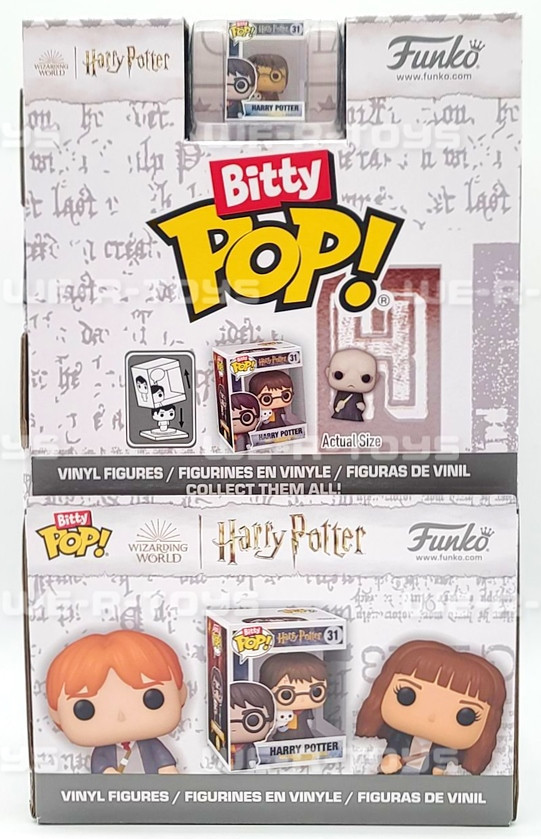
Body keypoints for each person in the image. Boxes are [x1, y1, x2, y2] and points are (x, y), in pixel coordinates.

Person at [355, 640, 506, 776]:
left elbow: (441, 761)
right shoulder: (401, 737)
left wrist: (438, 773)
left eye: (465, 716)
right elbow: (393, 749)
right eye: (406, 696)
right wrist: (390, 760)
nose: (432, 717)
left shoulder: (442, 747)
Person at [46, 629, 187, 774]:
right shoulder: (103, 751)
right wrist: (107, 771)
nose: (121, 716)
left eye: (152, 699)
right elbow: (100, 764)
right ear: (56, 714)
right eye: (84, 710)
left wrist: (166, 768)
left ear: (181, 694)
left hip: (152, 786)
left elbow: (162, 759)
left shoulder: (151, 745)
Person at [259, 652, 327, 741]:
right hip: (283, 736)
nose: (302, 699)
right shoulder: (278, 712)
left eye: (316, 692)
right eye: (286, 694)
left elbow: (309, 719)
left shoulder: (306, 710)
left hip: (305, 733)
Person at [229, 682, 275, 770]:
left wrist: (252, 761)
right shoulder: (224, 745)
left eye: (252, 721)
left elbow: (251, 753)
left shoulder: (248, 746)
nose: (234, 727)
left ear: (271, 722)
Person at [326, 347, 377, 422]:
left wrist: (361, 406)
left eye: (365, 378)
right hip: (340, 415)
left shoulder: (358, 395)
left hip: (355, 416)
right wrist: (338, 407)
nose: (351, 381)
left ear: (376, 378)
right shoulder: (341, 393)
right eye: (338, 375)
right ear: (327, 373)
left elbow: (362, 404)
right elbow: (336, 406)